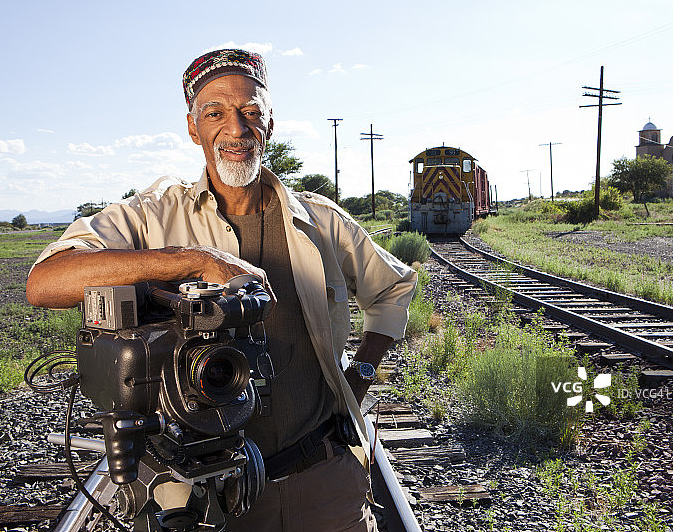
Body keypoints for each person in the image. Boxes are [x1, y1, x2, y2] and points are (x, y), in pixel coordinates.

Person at [26, 48, 417, 531]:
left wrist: (360, 373)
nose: (236, 128)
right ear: (193, 129)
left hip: (322, 479)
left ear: (269, 123)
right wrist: (191, 260)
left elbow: (394, 288)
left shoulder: (322, 222)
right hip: (199, 498)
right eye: (215, 113)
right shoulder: (152, 217)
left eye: (250, 111)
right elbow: (46, 281)